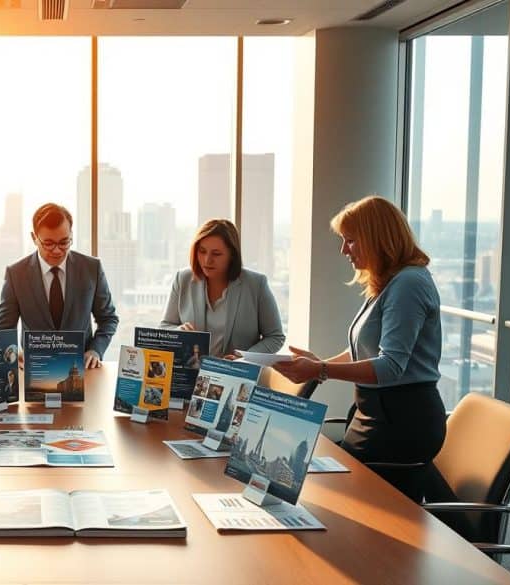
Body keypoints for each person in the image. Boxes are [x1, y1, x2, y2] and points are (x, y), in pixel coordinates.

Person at [273, 195, 446, 501]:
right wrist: (319, 365)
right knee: (347, 497)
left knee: (361, 504)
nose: (344, 250)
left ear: (376, 238)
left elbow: (390, 366)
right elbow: (361, 351)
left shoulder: (409, 284)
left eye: (350, 241)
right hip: (374, 413)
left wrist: (321, 370)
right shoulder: (389, 283)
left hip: (401, 421)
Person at [0, 203, 119, 368]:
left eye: (64, 242)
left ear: (71, 235)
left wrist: (95, 350)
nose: (57, 251)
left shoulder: (91, 268)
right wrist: (15, 353)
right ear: (34, 238)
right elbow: (3, 330)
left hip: (81, 369)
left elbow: (108, 318)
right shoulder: (16, 274)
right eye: (48, 243)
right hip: (35, 371)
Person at [161, 219, 285, 359]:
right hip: (190, 376)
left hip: (236, 376)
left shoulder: (256, 284)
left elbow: (275, 337)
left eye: (216, 254)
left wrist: (245, 358)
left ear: (232, 255)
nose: (207, 260)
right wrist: (178, 332)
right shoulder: (183, 279)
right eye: (202, 251)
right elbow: (165, 327)